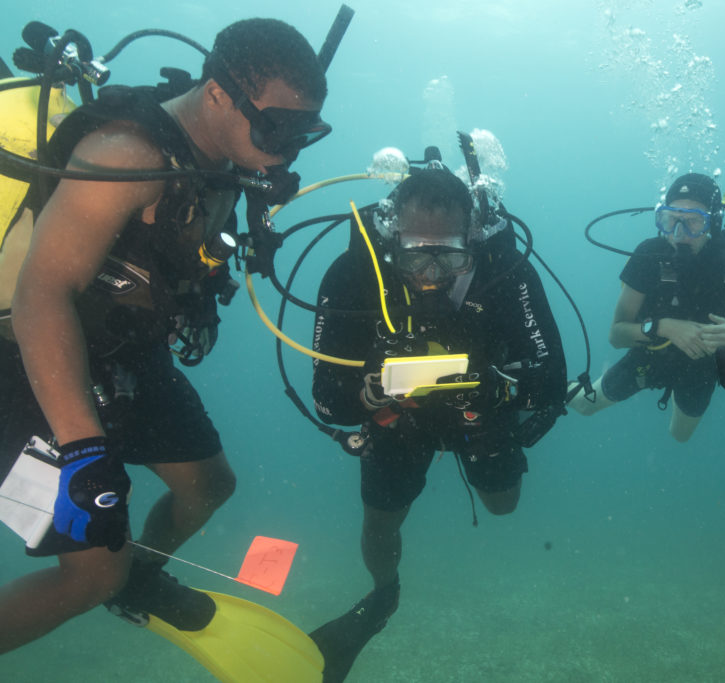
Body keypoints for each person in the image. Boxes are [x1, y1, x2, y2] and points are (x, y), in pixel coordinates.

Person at [0, 18, 329, 654]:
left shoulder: (228, 156)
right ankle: (112, 581)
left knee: (207, 486)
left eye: (304, 133)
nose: (288, 150)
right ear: (217, 95)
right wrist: (84, 451)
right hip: (24, 361)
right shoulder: (126, 156)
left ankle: (137, 580)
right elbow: (41, 297)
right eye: (277, 129)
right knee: (92, 574)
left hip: (122, 351)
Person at [308, 167, 567, 680]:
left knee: (503, 505)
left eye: (448, 256)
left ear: (472, 239)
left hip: (482, 410)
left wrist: (495, 388)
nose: (430, 273)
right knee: (381, 522)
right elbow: (325, 400)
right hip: (396, 418)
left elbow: (552, 382)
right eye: (414, 255)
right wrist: (367, 394)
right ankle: (384, 594)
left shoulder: (506, 272)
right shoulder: (354, 273)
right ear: (391, 239)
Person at [569, 173, 725, 442]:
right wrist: (665, 327)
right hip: (650, 357)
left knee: (680, 435)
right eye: (671, 219)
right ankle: (548, 389)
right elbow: (616, 335)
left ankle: (677, 393)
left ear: (713, 223)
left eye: (694, 221)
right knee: (585, 405)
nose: (679, 232)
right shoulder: (649, 255)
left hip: (700, 368)